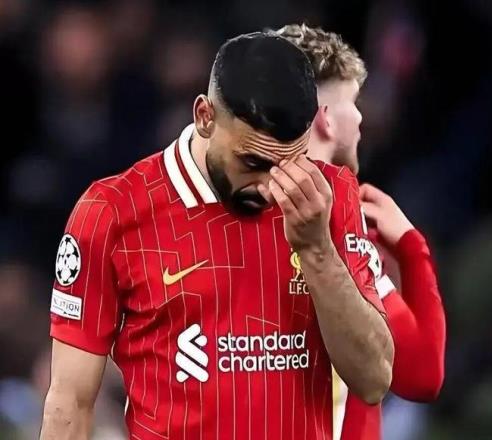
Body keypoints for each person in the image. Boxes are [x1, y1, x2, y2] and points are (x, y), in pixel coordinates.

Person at [40, 32, 394, 440]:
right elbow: (70, 403)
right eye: (253, 162)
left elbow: (373, 379)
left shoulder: (328, 197)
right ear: (205, 116)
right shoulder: (113, 211)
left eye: (289, 163)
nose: (269, 188)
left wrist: (317, 250)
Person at [277, 23, 446, 440]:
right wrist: (411, 246)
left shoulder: (227, 208)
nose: (361, 117)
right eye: (353, 102)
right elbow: (422, 373)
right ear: (326, 120)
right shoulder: (335, 217)